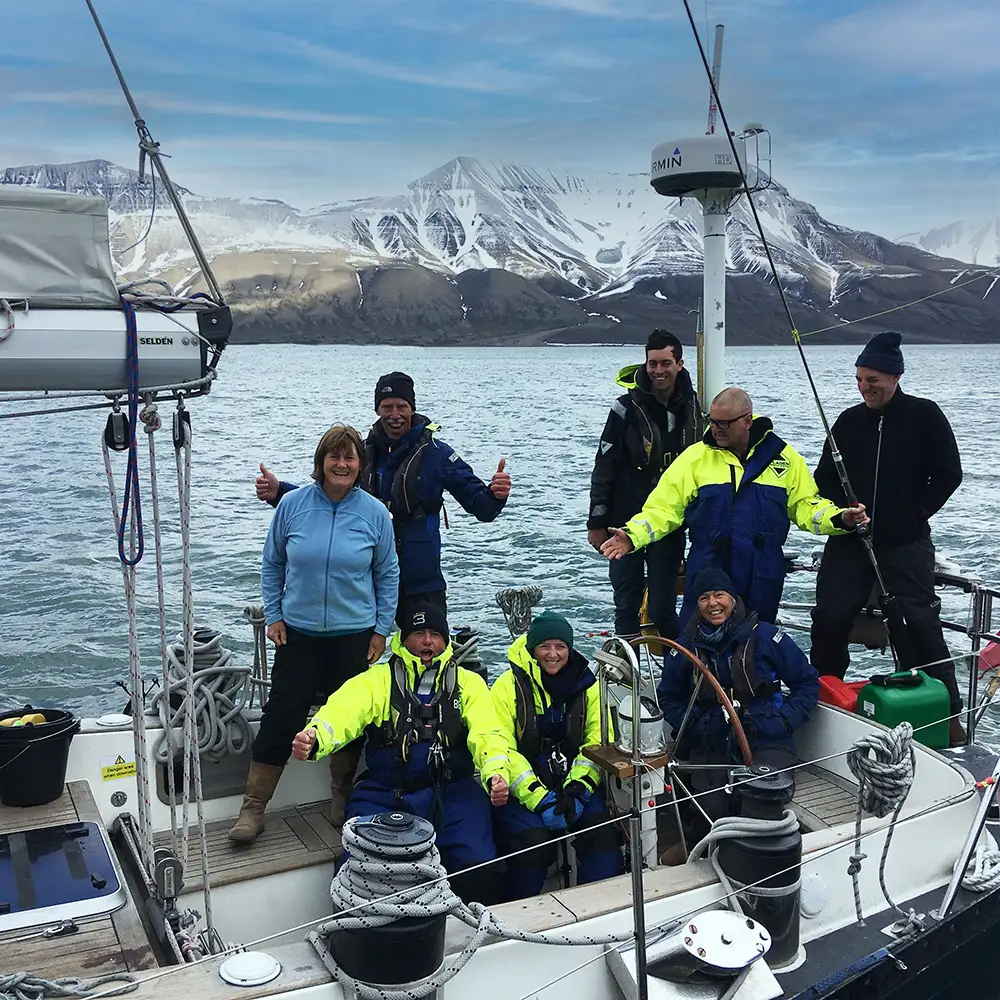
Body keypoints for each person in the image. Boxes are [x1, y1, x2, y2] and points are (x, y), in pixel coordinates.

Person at [230, 424, 399, 844]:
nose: (341, 464)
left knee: (347, 719)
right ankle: (253, 808)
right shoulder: (292, 505)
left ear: (361, 465)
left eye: (350, 458)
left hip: (354, 635)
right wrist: (275, 615)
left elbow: (388, 574)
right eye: (334, 456)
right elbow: (273, 564)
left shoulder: (375, 513)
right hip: (298, 634)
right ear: (321, 462)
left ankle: (340, 796)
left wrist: (381, 629)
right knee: (280, 717)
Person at [290, 603, 511, 904]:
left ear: (445, 640)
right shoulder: (377, 681)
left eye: (435, 633)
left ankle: (467, 935)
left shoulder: (469, 685)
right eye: (419, 633)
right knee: (359, 866)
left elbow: (489, 734)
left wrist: (496, 774)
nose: (427, 641)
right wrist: (315, 738)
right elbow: (343, 712)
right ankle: (357, 936)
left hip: (454, 794)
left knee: (478, 863)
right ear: (404, 639)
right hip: (387, 793)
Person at [600, 387, 869, 629]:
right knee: (697, 649)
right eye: (712, 421)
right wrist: (632, 535)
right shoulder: (694, 459)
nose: (716, 429)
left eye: (725, 423)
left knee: (755, 650)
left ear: (747, 421)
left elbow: (807, 507)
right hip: (709, 571)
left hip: (761, 573)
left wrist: (840, 518)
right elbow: (662, 510)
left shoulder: (785, 460)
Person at [255, 372, 511, 625]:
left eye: (402, 406)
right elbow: (325, 497)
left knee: (426, 657)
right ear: (377, 409)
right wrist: (279, 492)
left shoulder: (438, 454)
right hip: (364, 582)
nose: (395, 414)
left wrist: (495, 494)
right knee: (361, 661)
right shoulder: (362, 452)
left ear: (412, 408)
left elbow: (483, 509)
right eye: (387, 407)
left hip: (420, 582)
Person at [810, 331, 965, 745]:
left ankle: (945, 715)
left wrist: (915, 514)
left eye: (873, 380)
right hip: (850, 542)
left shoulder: (924, 415)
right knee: (828, 620)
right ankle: (821, 705)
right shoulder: (847, 421)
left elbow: (949, 474)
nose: (865, 388)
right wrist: (844, 512)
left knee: (920, 625)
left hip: (905, 542)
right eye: (860, 379)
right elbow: (822, 480)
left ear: (895, 377)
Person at [657, 568, 819, 862]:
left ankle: (757, 863)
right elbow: (668, 696)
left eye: (719, 594)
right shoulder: (684, 647)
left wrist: (783, 721)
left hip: (767, 739)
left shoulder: (769, 638)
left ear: (733, 598)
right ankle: (705, 858)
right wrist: (693, 724)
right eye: (704, 597)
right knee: (710, 806)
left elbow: (807, 685)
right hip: (711, 743)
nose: (712, 603)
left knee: (761, 797)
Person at [490, 612, 623, 900]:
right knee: (531, 846)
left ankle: (597, 910)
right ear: (532, 649)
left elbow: (599, 741)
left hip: (576, 782)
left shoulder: (588, 685)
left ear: (570, 649)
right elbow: (501, 746)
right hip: (525, 787)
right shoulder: (506, 686)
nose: (553, 654)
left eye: (560, 647)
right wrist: (539, 798)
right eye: (544, 647)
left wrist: (579, 790)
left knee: (602, 836)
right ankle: (516, 915)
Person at [587, 329, 703, 642]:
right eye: (652, 364)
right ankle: (630, 682)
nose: (658, 371)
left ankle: (679, 674)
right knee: (626, 605)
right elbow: (604, 467)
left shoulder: (695, 406)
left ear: (679, 363)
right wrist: (596, 523)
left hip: (669, 522)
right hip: (623, 522)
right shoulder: (624, 409)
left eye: (665, 363)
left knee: (663, 607)